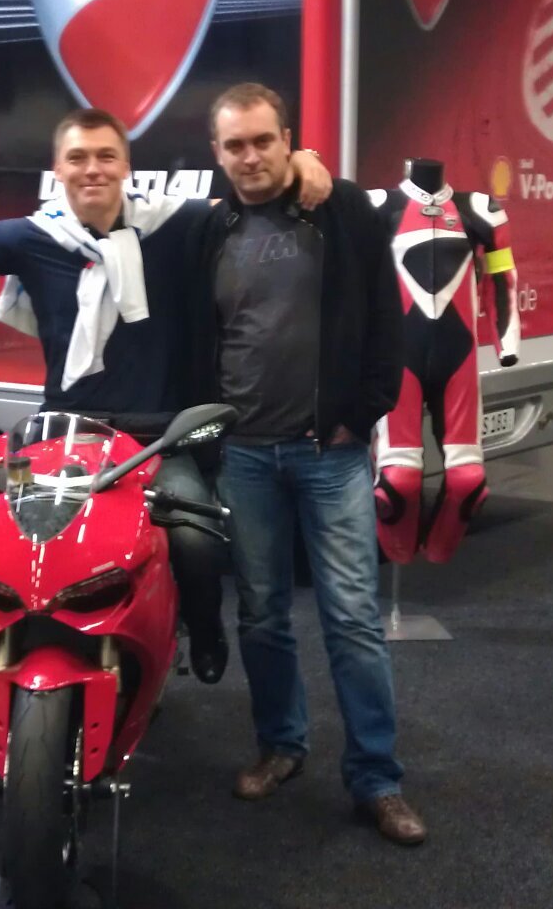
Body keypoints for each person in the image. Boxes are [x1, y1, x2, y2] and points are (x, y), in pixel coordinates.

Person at [0, 107, 333, 686]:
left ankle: (205, 627)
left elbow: (251, 198)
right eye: (78, 158)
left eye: (106, 156)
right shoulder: (36, 237)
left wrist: (302, 162)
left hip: (158, 437)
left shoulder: (174, 222)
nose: (93, 169)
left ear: (126, 166)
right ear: (57, 169)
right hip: (67, 435)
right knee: (19, 542)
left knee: (195, 538)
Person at [183, 83, 425, 846]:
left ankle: (377, 779)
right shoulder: (211, 227)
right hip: (245, 455)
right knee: (260, 613)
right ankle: (281, 745)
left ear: (288, 139)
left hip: (331, 454)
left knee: (351, 618)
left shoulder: (339, 208)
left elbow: (386, 318)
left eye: (264, 140)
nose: (250, 156)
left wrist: (364, 412)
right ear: (217, 153)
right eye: (235, 145)